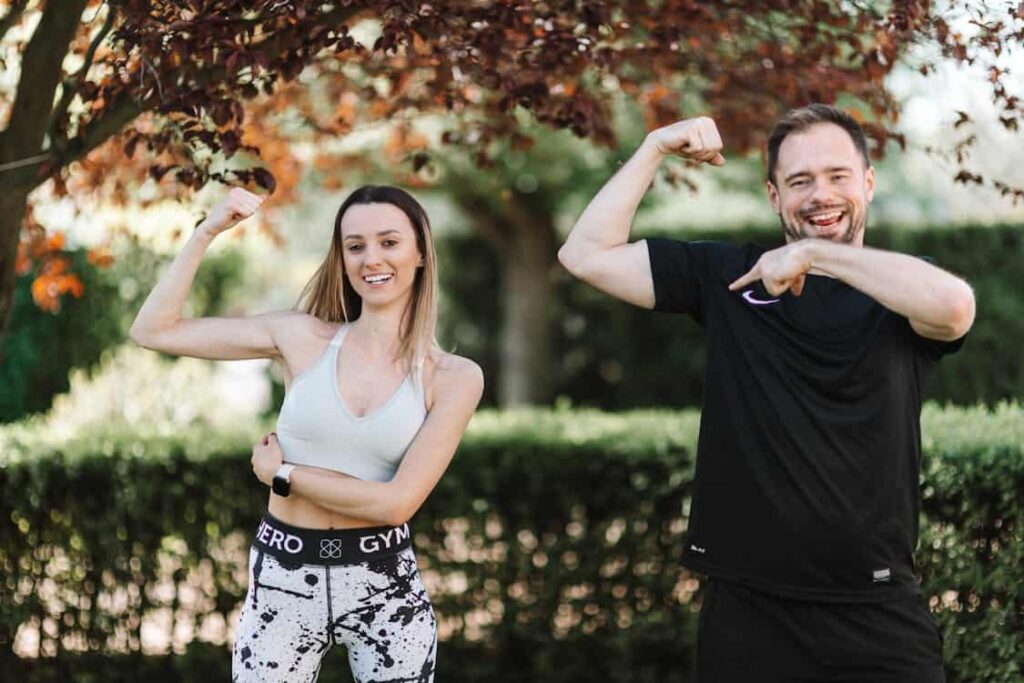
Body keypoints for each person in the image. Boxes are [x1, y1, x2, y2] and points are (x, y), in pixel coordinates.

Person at [557, 104, 974, 682]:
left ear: (869, 184)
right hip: (748, 613)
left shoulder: (901, 288)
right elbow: (584, 255)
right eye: (799, 181)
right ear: (774, 196)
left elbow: (954, 308)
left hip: (876, 611)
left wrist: (813, 254)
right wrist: (653, 147)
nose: (819, 195)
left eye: (837, 177)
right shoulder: (729, 277)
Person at [130, 185, 484, 682]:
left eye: (389, 242)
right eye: (355, 246)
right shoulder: (300, 337)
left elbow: (396, 504)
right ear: (340, 258)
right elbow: (154, 331)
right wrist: (207, 231)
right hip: (283, 578)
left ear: (421, 252)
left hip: (385, 584)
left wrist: (285, 474)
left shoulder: (453, 376)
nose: (371, 259)